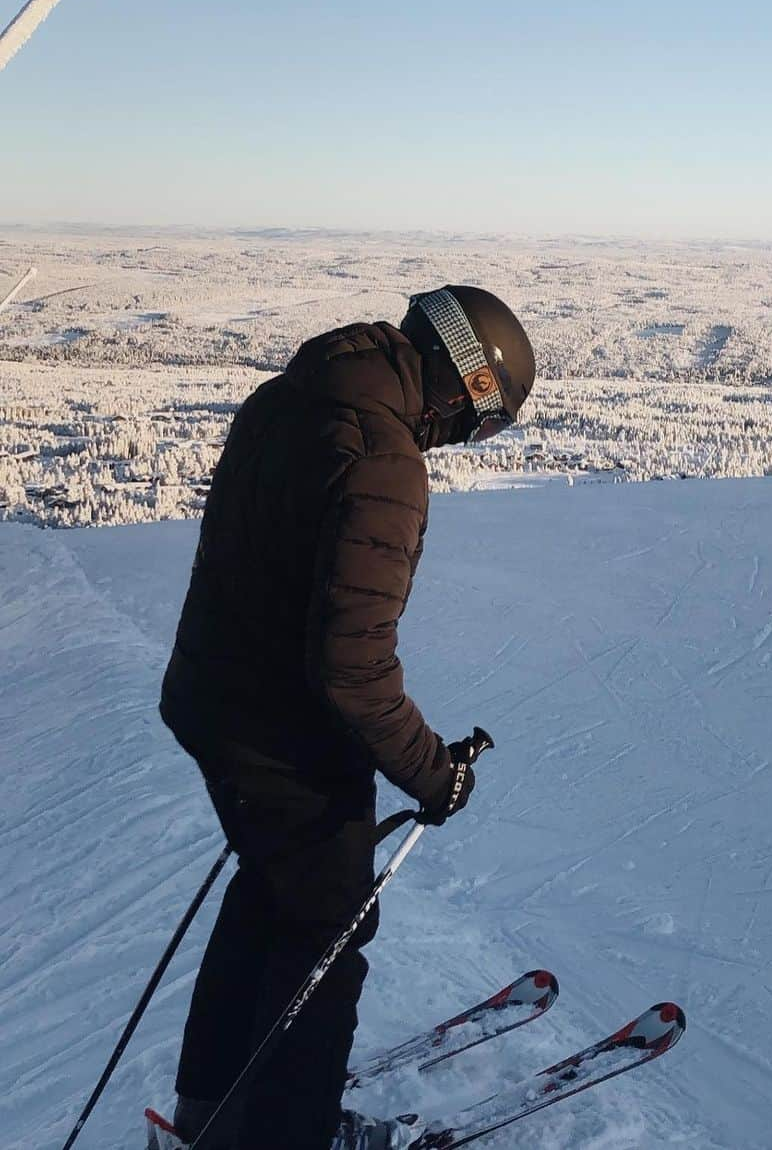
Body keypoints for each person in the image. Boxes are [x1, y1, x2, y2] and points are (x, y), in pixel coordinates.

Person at [158, 286, 536, 1150]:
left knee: (270, 897)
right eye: (479, 424)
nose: (463, 441)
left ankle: (212, 1112)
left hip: (219, 700)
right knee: (328, 933)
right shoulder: (383, 460)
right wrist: (437, 775)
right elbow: (353, 668)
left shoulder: (296, 395)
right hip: (280, 732)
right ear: (460, 383)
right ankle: (291, 1135)